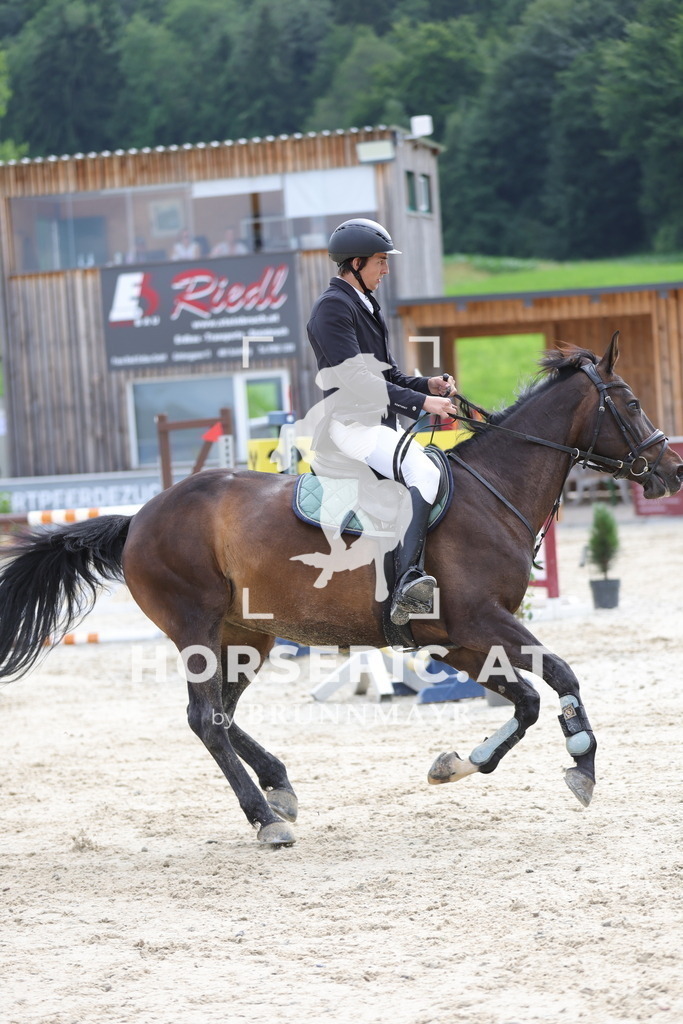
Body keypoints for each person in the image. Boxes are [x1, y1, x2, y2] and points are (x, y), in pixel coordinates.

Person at [306, 217, 458, 626]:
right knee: (424, 472)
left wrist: (427, 383)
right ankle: (408, 582)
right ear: (356, 263)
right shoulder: (332, 308)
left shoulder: (364, 305)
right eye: (380, 261)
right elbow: (356, 379)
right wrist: (423, 402)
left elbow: (385, 374)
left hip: (378, 424)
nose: (386, 269)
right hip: (352, 427)